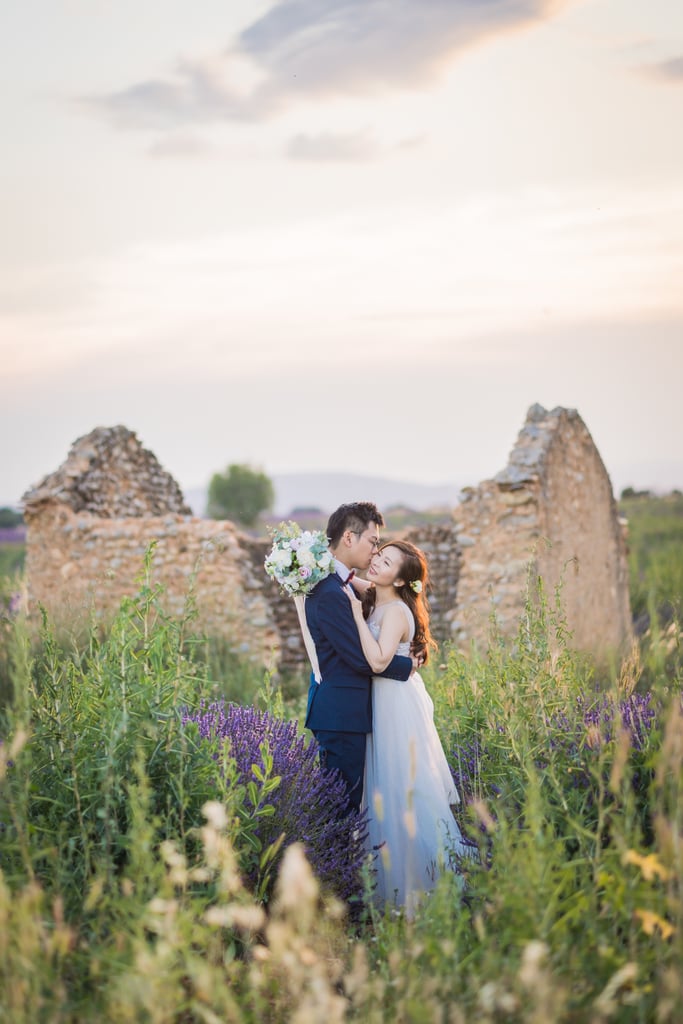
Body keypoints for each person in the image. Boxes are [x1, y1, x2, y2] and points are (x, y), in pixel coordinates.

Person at [344, 539, 475, 915]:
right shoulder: (376, 593)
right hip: (384, 702)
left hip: (395, 705)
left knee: (402, 784)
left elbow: (380, 661)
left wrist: (355, 615)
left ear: (401, 580)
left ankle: (423, 881)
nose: (377, 563)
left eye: (386, 563)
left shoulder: (397, 611)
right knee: (384, 783)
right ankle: (392, 879)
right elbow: (348, 578)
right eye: (379, 556)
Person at [304, 503, 418, 813]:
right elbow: (359, 658)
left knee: (348, 804)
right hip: (341, 714)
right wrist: (408, 665)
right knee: (341, 809)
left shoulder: (338, 582)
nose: (376, 550)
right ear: (349, 538)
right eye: (373, 542)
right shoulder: (330, 591)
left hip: (346, 712)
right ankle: (335, 862)